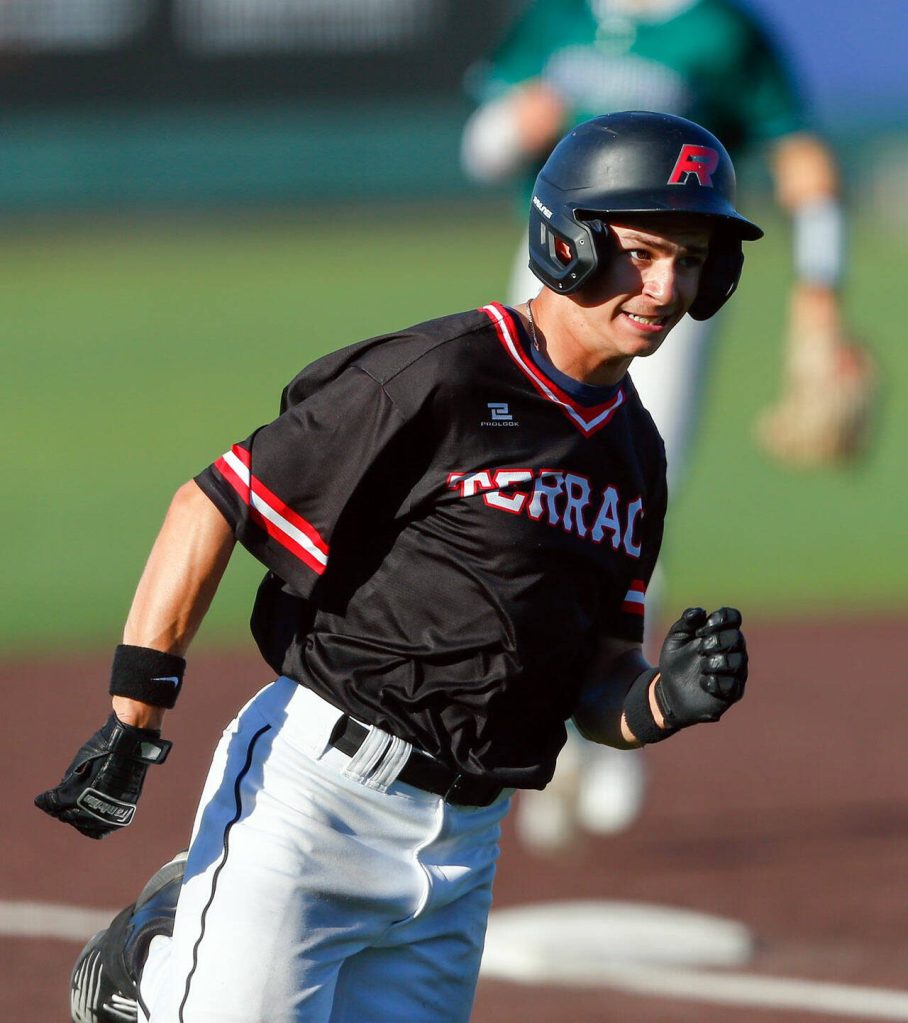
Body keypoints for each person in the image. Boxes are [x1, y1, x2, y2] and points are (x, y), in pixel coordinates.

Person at [37, 111, 753, 1023]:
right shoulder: (444, 374)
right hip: (316, 806)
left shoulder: (635, 455)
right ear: (567, 239)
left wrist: (663, 701)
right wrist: (134, 721)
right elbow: (217, 499)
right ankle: (160, 961)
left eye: (691, 261)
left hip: (462, 851)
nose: (667, 285)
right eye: (646, 251)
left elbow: (596, 681)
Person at [461, 0, 871, 850]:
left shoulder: (720, 30)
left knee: (628, 497)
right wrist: (512, 125)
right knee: (511, 496)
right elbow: (484, 147)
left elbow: (802, 161)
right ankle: (530, 724)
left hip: (660, 299)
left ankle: (609, 715)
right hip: (550, 276)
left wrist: (821, 292)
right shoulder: (557, 17)